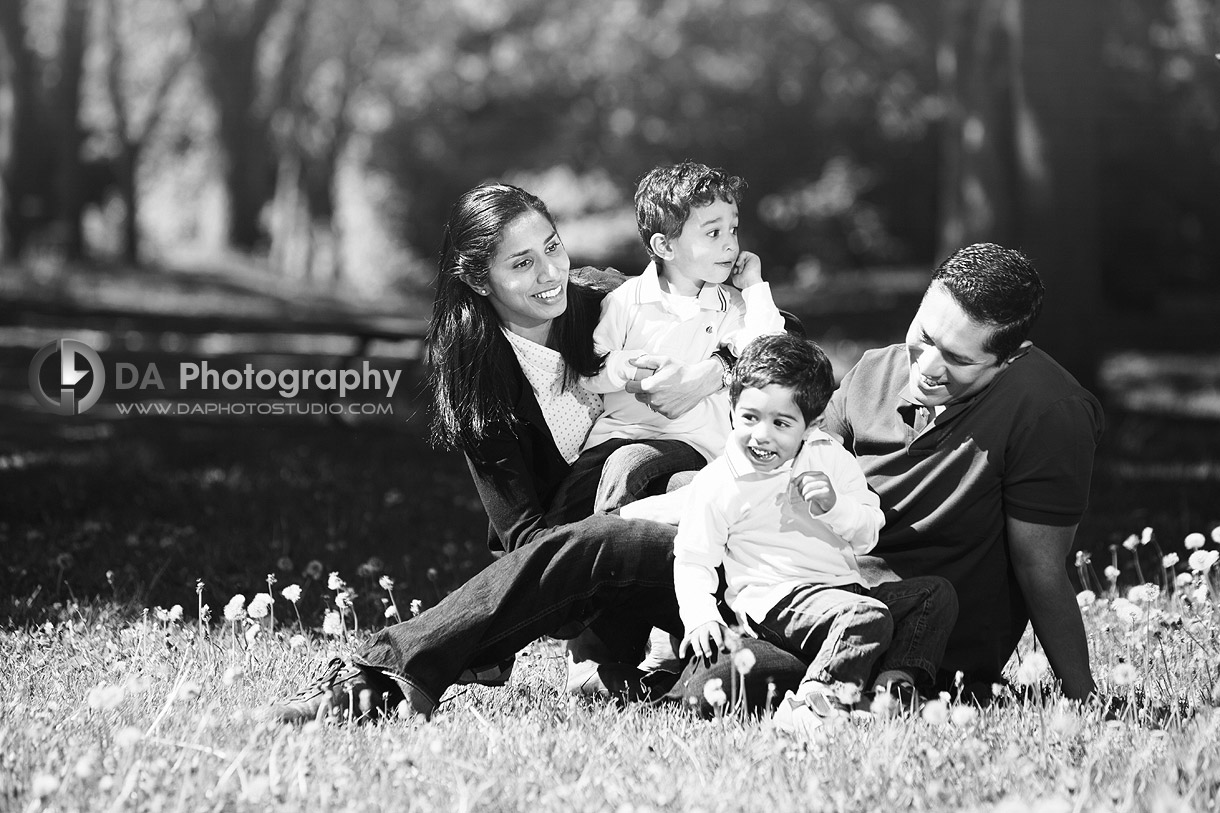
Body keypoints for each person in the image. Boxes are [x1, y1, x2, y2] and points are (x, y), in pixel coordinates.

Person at [269, 183, 785, 722]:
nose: (551, 273)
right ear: (476, 278)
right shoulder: (480, 374)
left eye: (553, 247)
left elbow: (780, 336)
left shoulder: (602, 302)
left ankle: (391, 674)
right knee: (609, 579)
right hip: (619, 566)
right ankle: (406, 672)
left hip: (718, 530)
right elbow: (524, 538)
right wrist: (593, 559)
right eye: (522, 263)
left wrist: (714, 371)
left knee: (650, 470)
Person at [822, 242, 1104, 701]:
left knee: (718, 681)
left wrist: (1082, 694)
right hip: (807, 592)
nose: (927, 368)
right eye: (926, 337)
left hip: (915, 642)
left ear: (1011, 358)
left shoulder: (1048, 410)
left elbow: (1040, 566)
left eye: (958, 359)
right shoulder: (873, 370)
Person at [666, 334, 957, 731]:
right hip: (774, 599)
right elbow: (694, 558)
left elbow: (868, 535)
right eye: (749, 417)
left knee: (934, 594)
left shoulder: (829, 457)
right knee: (866, 616)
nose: (761, 435)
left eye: (781, 423)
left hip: (841, 591)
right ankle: (812, 705)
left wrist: (835, 508)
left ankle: (892, 689)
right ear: (731, 409)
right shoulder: (719, 482)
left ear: (812, 424)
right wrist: (699, 616)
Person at [548, 163, 785, 521]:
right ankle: (556, 555)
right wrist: (623, 365)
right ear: (665, 246)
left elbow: (770, 351)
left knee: (630, 465)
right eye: (713, 232)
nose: (730, 244)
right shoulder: (627, 300)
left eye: (733, 229)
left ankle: (608, 538)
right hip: (614, 437)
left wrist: (753, 285)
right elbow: (588, 370)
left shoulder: (731, 307)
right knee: (569, 499)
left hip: (692, 443)